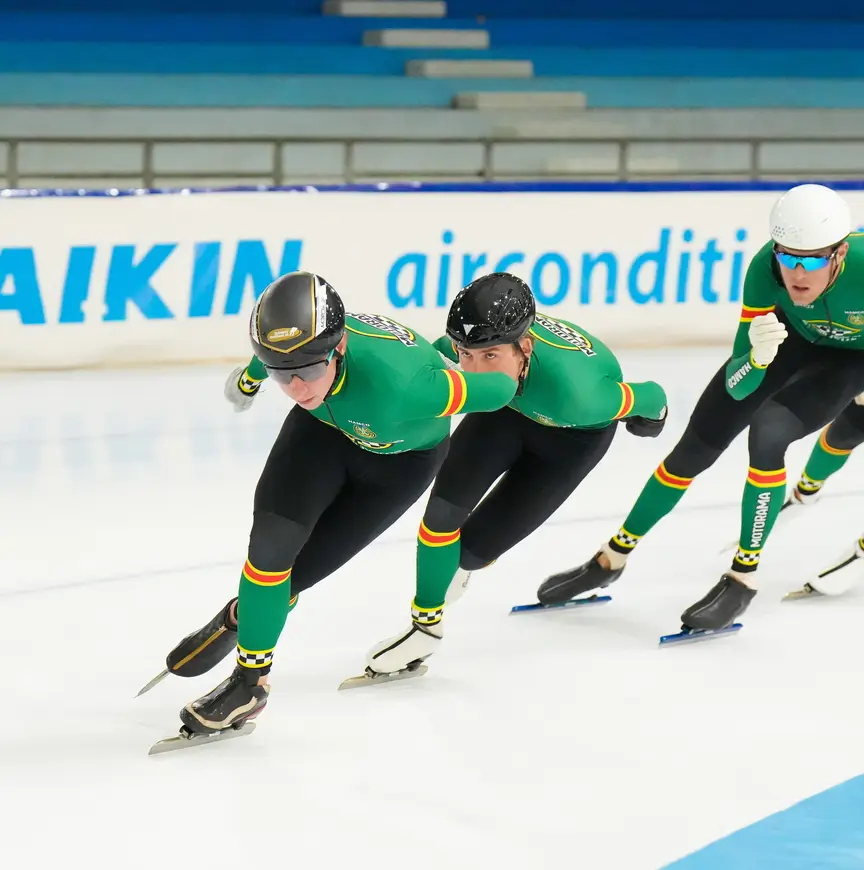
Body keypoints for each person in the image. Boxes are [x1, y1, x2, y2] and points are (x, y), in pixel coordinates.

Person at [143, 270, 519, 751]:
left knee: (295, 577)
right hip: (320, 438)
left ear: (338, 348)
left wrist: (508, 371)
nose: (298, 388)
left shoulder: (408, 387)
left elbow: (500, 391)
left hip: (397, 466)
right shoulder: (298, 360)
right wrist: (253, 376)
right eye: (284, 374)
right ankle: (249, 685)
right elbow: (278, 358)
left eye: (310, 371)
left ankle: (242, 617)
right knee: (268, 557)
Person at [535, 183, 864, 634]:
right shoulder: (763, 269)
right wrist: (757, 358)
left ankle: (742, 578)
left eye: (811, 260)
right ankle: (611, 558)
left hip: (852, 359)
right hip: (786, 340)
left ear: (840, 254)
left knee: (768, 434)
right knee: (692, 450)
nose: (796, 273)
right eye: (788, 256)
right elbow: (736, 382)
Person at [357, 272, 668, 680]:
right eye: (466, 354)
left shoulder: (583, 396)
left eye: (490, 357)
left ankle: (463, 568)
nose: (475, 369)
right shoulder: (465, 348)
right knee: (439, 520)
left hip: (570, 438)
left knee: (470, 552)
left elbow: (654, 396)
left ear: (526, 346)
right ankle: (425, 629)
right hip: (505, 415)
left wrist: (651, 419)